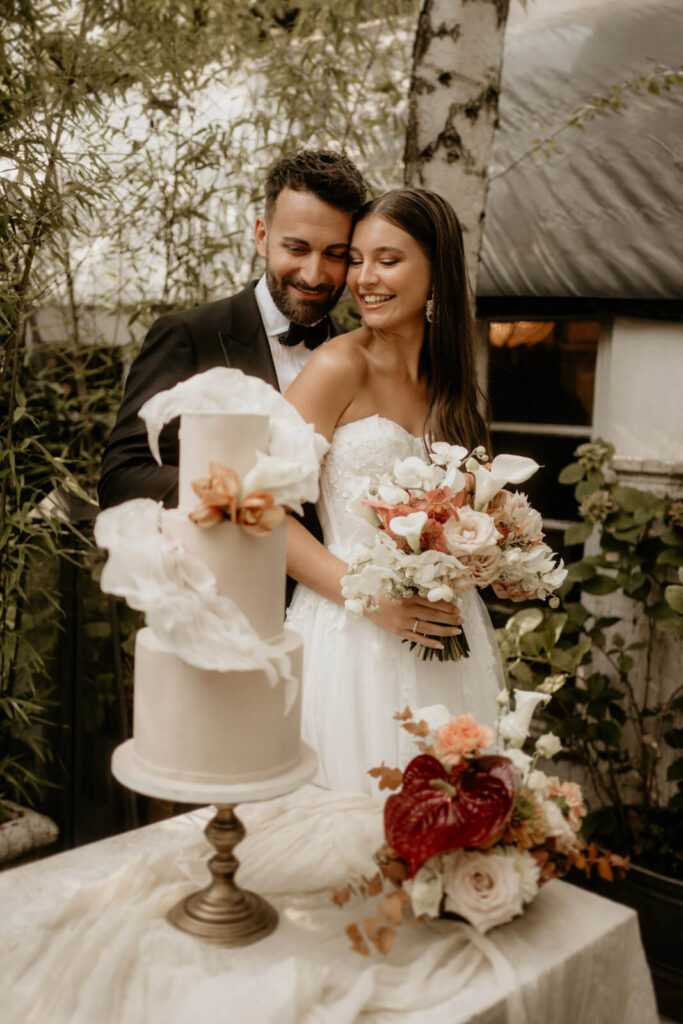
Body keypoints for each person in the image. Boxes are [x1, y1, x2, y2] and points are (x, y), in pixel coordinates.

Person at [284, 187, 504, 795]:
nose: (364, 279)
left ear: (436, 270)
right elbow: (260, 515)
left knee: (446, 805)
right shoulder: (337, 367)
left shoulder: (453, 386)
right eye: (356, 260)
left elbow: (471, 512)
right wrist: (371, 602)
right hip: (350, 636)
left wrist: (501, 558)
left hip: (449, 634)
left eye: (388, 260)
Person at [98, 149, 367, 511]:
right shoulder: (188, 336)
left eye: (335, 254)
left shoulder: (359, 353)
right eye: (296, 248)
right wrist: (232, 495)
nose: (313, 275)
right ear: (262, 236)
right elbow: (122, 478)